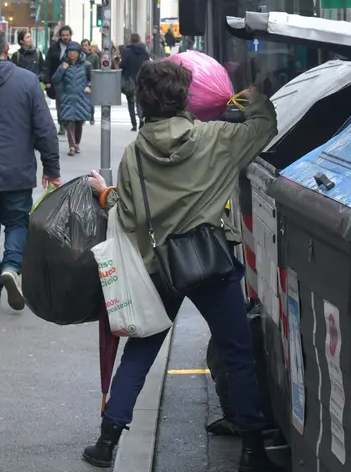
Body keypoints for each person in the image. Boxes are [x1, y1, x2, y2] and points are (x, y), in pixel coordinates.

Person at [80, 60, 278, 471]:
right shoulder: (216, 138)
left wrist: (104, 195)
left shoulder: (135, 153)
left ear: (142, 101)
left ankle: (106, 442)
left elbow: (130, 216)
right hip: (212, 264)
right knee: (237, 352)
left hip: (161, 267)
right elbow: (263, 128)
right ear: (186, 98)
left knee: (142, 349)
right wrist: (253, 98)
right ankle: (253, 450)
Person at [0, 25, 62, 310]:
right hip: (18, 168)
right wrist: (51, 168)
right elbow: (45, 129)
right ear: (7, 50)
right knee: (18, 222)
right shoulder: (28, 81)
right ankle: (12, 266)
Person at [52, 41, 92, 156]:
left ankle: (77, 143)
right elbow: (55, 79)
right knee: (69, 122)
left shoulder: (86, 65)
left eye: (74, 51)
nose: (72, 54)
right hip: (67, 97)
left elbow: (92, 79)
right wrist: (62, 69)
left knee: (79, 122)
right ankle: (72, 147)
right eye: (70, 51)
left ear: (79, 53)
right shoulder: (64, 64)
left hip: (81, 97)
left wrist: (89, 87)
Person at [120, 33, 151, 131]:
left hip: (130, 78)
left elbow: (123, 64)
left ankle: (134, 124)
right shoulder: (144, 52)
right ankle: (141, 119)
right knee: (140, 101)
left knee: (131, 102)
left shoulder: (126, 51)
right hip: (142, 78)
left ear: (130, 40)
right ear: (139, 39)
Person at [46, 25, 72, 136]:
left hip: (71, 78)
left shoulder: (74, 46)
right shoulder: (54, 47)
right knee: (60, 102)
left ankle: (69, 123)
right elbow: (48, 63)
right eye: (63, 35)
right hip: (57, 78)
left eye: (67, 35)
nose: (65, 37)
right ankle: (62, 124)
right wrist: (47, 79)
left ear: (70, 35)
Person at [82, 40, 100, 125]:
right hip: (82, 79)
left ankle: (91, 116)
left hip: (91, 79)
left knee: (90, 101)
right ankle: (83, 116)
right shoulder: (80, 56)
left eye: (86, 45)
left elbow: (97, 69)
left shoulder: (94, 56)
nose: (84, 47)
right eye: (83, 45)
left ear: (89, 46)